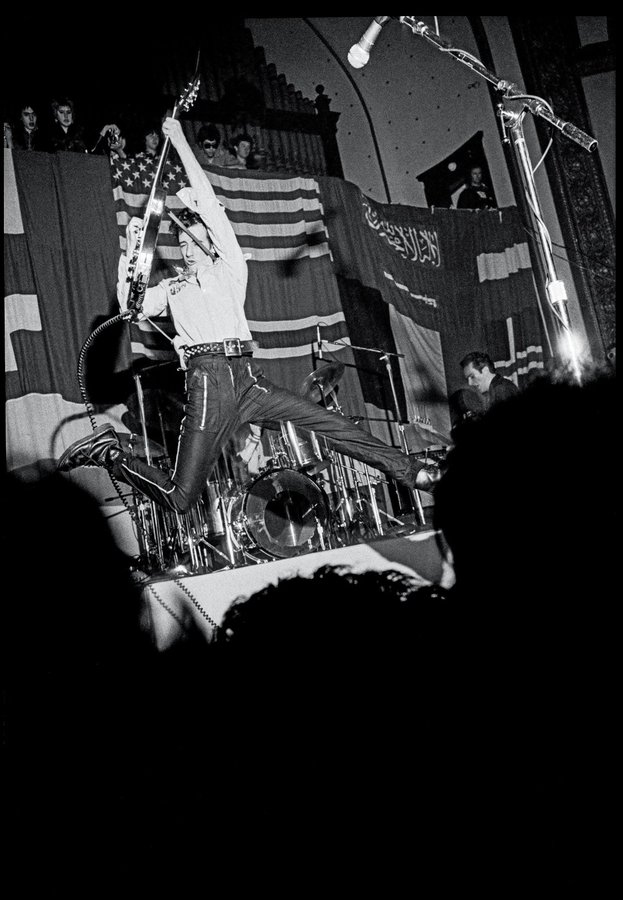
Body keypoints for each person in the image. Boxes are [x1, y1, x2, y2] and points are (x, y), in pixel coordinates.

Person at [57, 117, 439, 511]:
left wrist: (181, 142)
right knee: (181, 497)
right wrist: (132, 254)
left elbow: (207, 202)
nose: (186, 248)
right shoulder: (172, 288)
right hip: (208, 382)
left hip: (247, 378)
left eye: (192, 239)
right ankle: (110, 453)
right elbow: (130, 306)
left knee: (332, 425)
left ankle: (418, 474)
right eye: (181, 243)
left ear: (209, 239)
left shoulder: (229, 267)